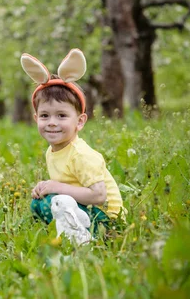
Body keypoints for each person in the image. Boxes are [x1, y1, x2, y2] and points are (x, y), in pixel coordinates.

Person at [20, 49, 125, 231]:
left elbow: (99, 196)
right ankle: (68, 232)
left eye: (61, 116)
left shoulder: (81, 154)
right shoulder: (53, 151)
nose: (52, 123)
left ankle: (87, 238)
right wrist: (46, 187)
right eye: (45, 115)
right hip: (84, 207)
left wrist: (56, 187)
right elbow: (67, 185)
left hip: (106, 216)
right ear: (36, 118)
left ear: (80, 121)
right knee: (37, 205)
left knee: (50, 204)